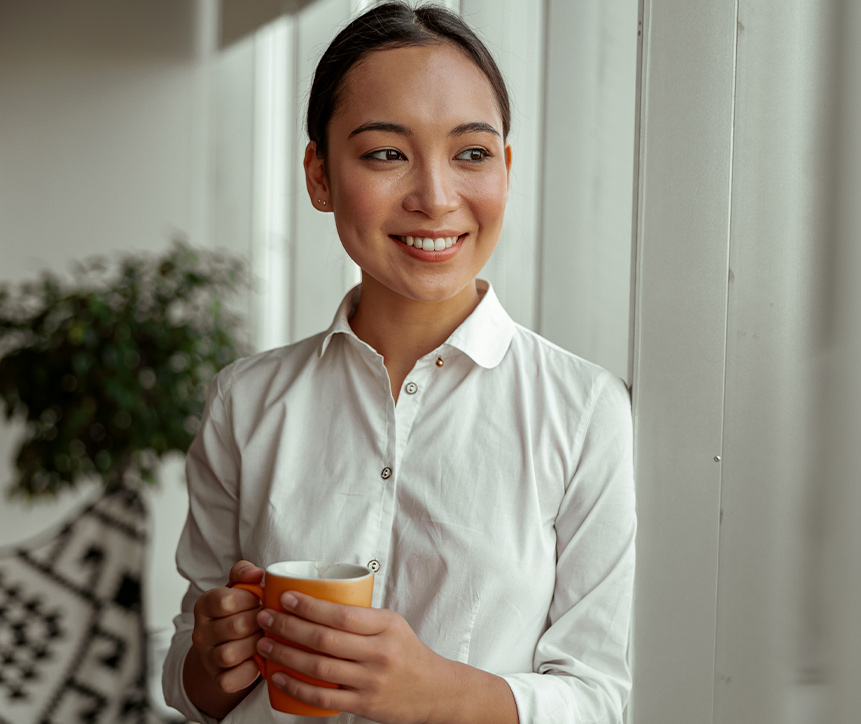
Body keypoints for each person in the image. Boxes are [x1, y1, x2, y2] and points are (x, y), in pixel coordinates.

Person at [162, 3, 635, 722]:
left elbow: (603, 698)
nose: (436, 198)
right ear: (319, 175)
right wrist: (211, 657)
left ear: (505, 169)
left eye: (471, 153)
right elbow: (189, 688)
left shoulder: (585, 410)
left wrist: (439, 692)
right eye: (386, 153)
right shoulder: (245, 400)